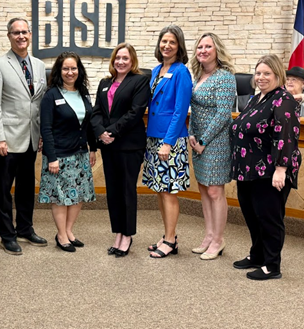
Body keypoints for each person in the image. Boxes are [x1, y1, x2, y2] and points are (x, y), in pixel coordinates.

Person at [230, 54, 302, 281]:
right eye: (258, 73)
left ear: (277, 75)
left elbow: (286, 135)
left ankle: (272, 265)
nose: (261, 77)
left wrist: (281, 168)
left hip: (270, 171)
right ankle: (257, 255)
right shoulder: (256, 98)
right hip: (248, 169)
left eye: (267, 73)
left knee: (269, 217)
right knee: (252, 216)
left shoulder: (284, 99)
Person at [0, 17, 48, 255]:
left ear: (30, 34)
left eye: (24, 32)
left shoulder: (40, 66)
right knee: (4, 190)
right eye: (16, 33)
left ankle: (25, 228)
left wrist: (41, 133)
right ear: (9, 36)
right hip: (7, 141)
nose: (21, 36)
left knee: (25, 188)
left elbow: (39, 103)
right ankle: (7, 235)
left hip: (31, 138)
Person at [91, 43, 150, 258]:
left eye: (125, 58)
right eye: (117, 58)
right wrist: (100, 132)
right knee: (113, 191)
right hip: (109, 145)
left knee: (126, 190)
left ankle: (127, 235)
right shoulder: (105, 83)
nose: (121, 62)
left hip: (129, 144)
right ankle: (118, 232)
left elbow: (136, 112)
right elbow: (96, 111)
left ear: (132, 60)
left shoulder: (140, 81)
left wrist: (112, 131)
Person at [142, 25, 193, 259]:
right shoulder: (156, 70)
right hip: (153, 137)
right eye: (164, 41)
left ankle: (171, 240)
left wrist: (168, 143)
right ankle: (167, 235)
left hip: (169, 141)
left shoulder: (182, 72)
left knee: (169, 192)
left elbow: (180, 110)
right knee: (160, 190)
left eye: (172, 42)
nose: (167, 46)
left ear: (179, 46)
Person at [38, 52, 97, 252]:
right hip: (59, 155)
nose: (70, 72)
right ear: (59, 71)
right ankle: (61, 235)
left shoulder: (84, 92)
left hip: (80, 153)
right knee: (60, 197)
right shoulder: (51, 95)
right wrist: (51, 158)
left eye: (73, 68)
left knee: (78, 195)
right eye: (65, 69)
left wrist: (93, 148)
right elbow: (45, 129)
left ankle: (69, 231)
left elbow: (88, 125)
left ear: (79, 70)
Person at [188, 33, 236, 260]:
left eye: (208, 46)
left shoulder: (225, 77)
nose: (203, 50)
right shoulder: (197, 76)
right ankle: (208, 236)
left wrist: (204, 141)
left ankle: (218, 239)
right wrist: (191, 135)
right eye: (200, 47)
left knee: (216, 191)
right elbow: (194, 110)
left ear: (217, 50)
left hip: (216, 142)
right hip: (197, 141)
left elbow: (223, 114)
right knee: (204, 189)